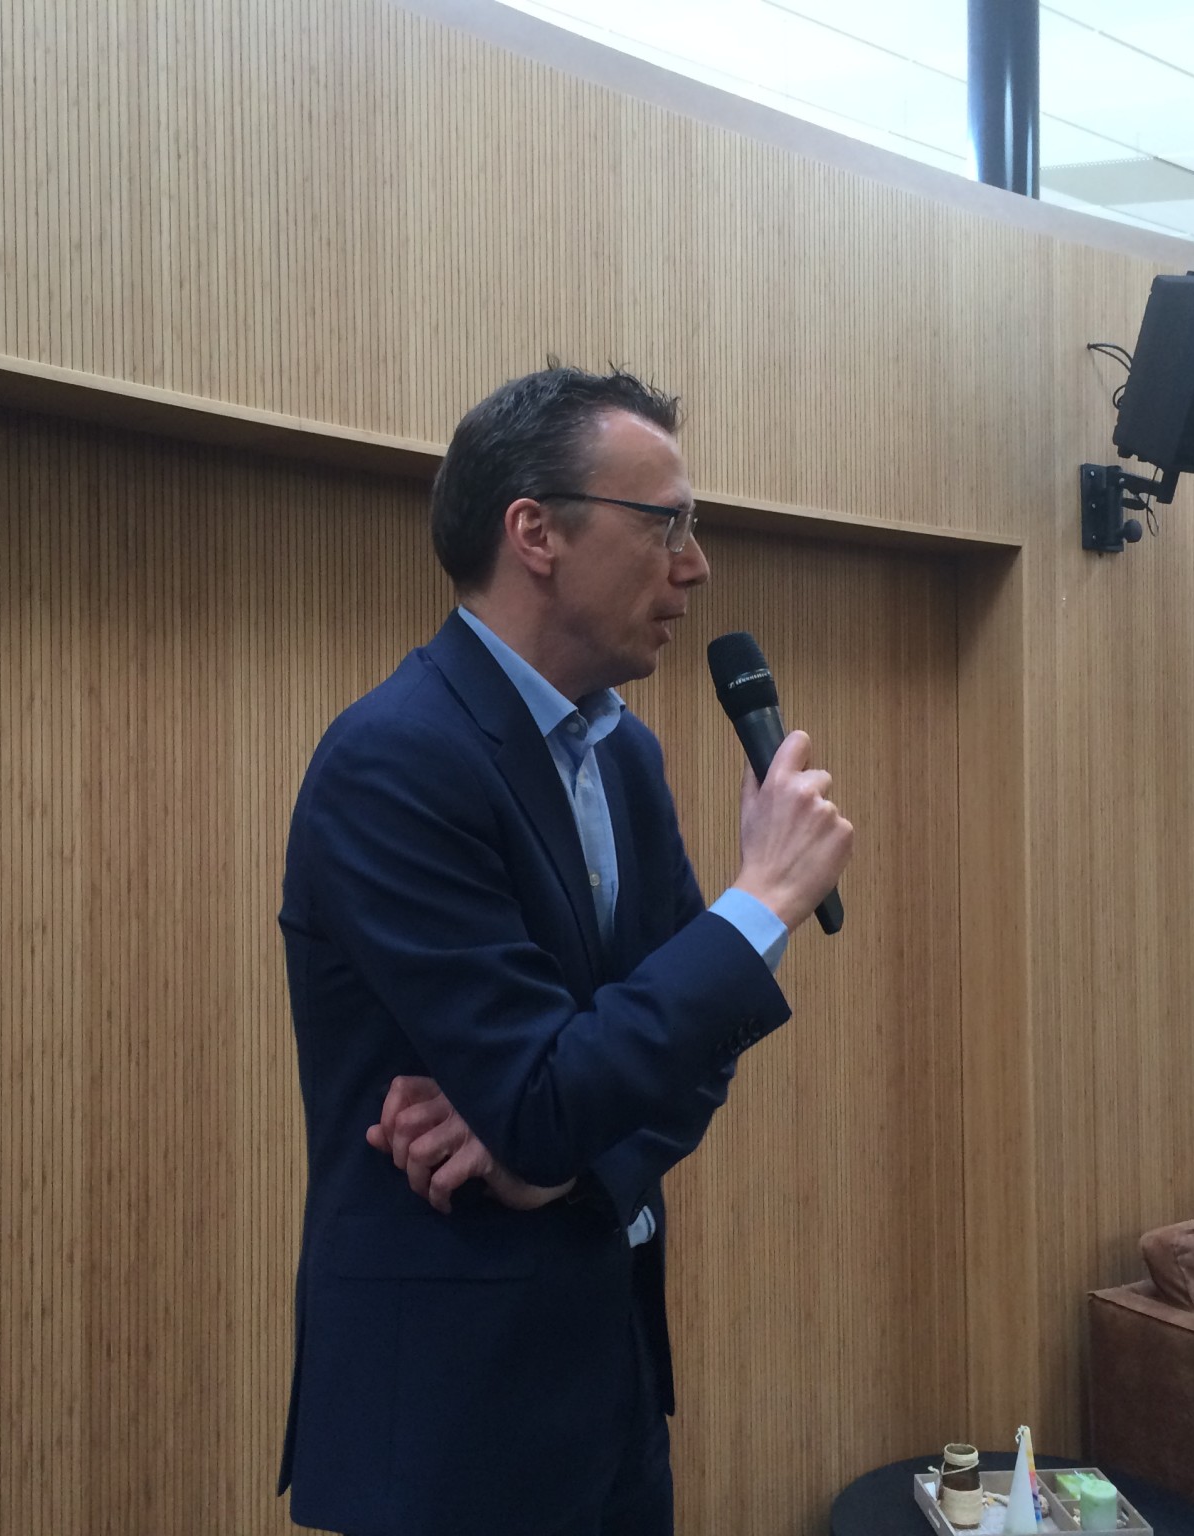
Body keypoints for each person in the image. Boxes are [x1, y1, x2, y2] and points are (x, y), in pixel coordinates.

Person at [276, 365, 853, 1536]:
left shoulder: (622, 756)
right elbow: (550, 1089)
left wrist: (570, 1166)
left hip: (609, 1380)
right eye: (666, 525)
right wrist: (756, 907)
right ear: (534, 533)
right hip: (449, 1417)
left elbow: (687, 1049)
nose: (694, 565)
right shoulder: (396, 758)